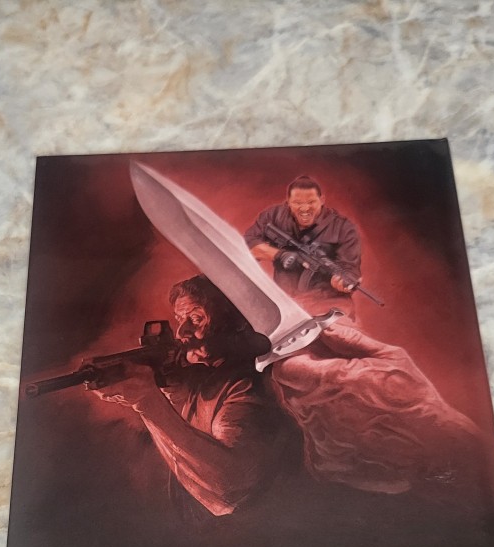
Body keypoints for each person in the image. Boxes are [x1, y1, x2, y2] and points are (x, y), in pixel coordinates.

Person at [93, 275, 292, 518]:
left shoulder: (250, 382)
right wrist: (167, 390)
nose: (182, 332)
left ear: (236, 321)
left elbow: (231, 487)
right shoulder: (203, 373)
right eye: (180, 320)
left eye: (196, 319)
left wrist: (147, 401)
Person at [244, 174, 363, 315]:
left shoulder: (344, 228)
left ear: (322, 200)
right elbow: (246, 244)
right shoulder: (274, 216)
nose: (305, 208)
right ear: (288, 202)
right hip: (285, 304)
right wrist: (280, 255)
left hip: (328, 304)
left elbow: (350, 269)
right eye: (297, 203)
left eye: (311, 202)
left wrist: (341, 282)